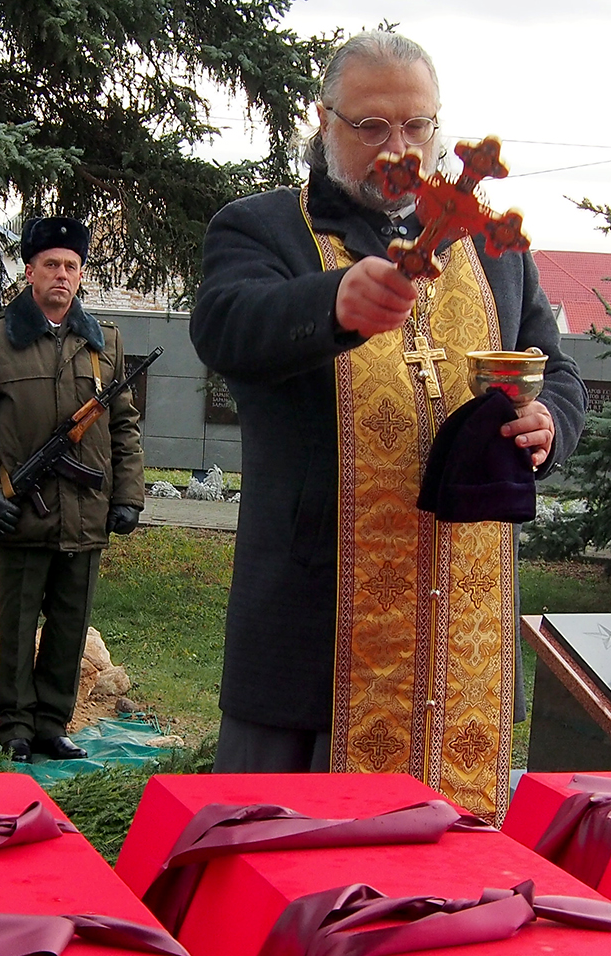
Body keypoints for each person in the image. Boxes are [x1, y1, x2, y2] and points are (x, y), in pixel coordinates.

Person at [189, 31, 586, 818]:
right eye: (370, 126)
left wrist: (551, 422)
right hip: (313, 640)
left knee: (447, 893)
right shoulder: (261, 228)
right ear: (323, 120)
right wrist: (330, 302)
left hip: (456, 634)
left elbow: (556, 366)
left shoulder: (490, 249)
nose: (395, 148)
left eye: (415, 126)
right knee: (279, 887)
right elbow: (225, 326)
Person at [0, 217, 145, 763]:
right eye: (52, 264)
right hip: (19, 511)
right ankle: (13, 725)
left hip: (84, 514)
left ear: (81, 275)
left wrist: (128, 495)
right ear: (30, 270)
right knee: (16, 625)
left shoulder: (102, 344)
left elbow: (125, 425)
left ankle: (51, 724)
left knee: (68, 623)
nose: (62, 275)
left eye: (71, 266)